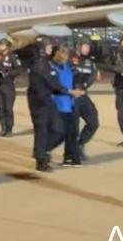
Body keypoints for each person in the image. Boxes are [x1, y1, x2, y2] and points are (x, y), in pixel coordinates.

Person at [27, 37, 82, 172]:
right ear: (41, 48)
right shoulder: (39, 64)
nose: (51, 48)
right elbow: (52, 82)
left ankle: (41, 151)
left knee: (59, 130)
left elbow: (54, 82)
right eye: (48, 46)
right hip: (39, 103)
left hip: (47, 101)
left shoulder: (45, 63)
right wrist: (69, 92)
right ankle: (41, 160)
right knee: (42, 131)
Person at [47, 44, 84, 167]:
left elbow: (75, 79)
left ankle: (71, 158)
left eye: (66, 53)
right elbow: (53, 86)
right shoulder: (51, 67)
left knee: (72, 132)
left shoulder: (68, 66)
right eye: (63, 52)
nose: (66, 55)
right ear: (56, 53)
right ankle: (44, 149)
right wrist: (69, 92)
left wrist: (77, 88)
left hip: (69, 103)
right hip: (56, 103)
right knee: (60, 132)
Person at [73, 37, 100, 160]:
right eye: (85, 46)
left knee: (93, 122)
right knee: (73, 126)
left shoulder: (90, 61)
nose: (87, 48)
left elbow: (92, 76)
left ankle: (80, 143)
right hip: (71, 96)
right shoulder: (69, 58)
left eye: (88, 46)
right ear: (78, 46)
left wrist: (83, 86)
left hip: (83, 95)